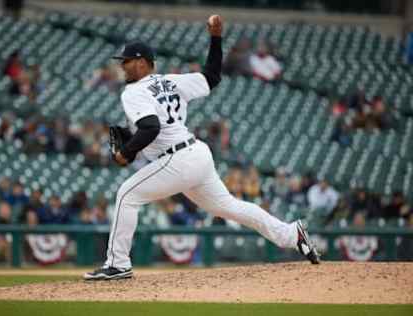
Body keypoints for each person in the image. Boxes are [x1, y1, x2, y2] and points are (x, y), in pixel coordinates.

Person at [83, 15, 320, 281]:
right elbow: (212, 76)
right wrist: (216, 38)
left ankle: (118, 263)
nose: (123, 66)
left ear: (141, 62)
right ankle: (291, 234)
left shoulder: (133, 91)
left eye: (126, 61)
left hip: (178, 159)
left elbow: (151, 128)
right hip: (196, 154)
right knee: (228, 206)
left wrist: (125, 153)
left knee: (127, 194)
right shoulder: (171, 81)